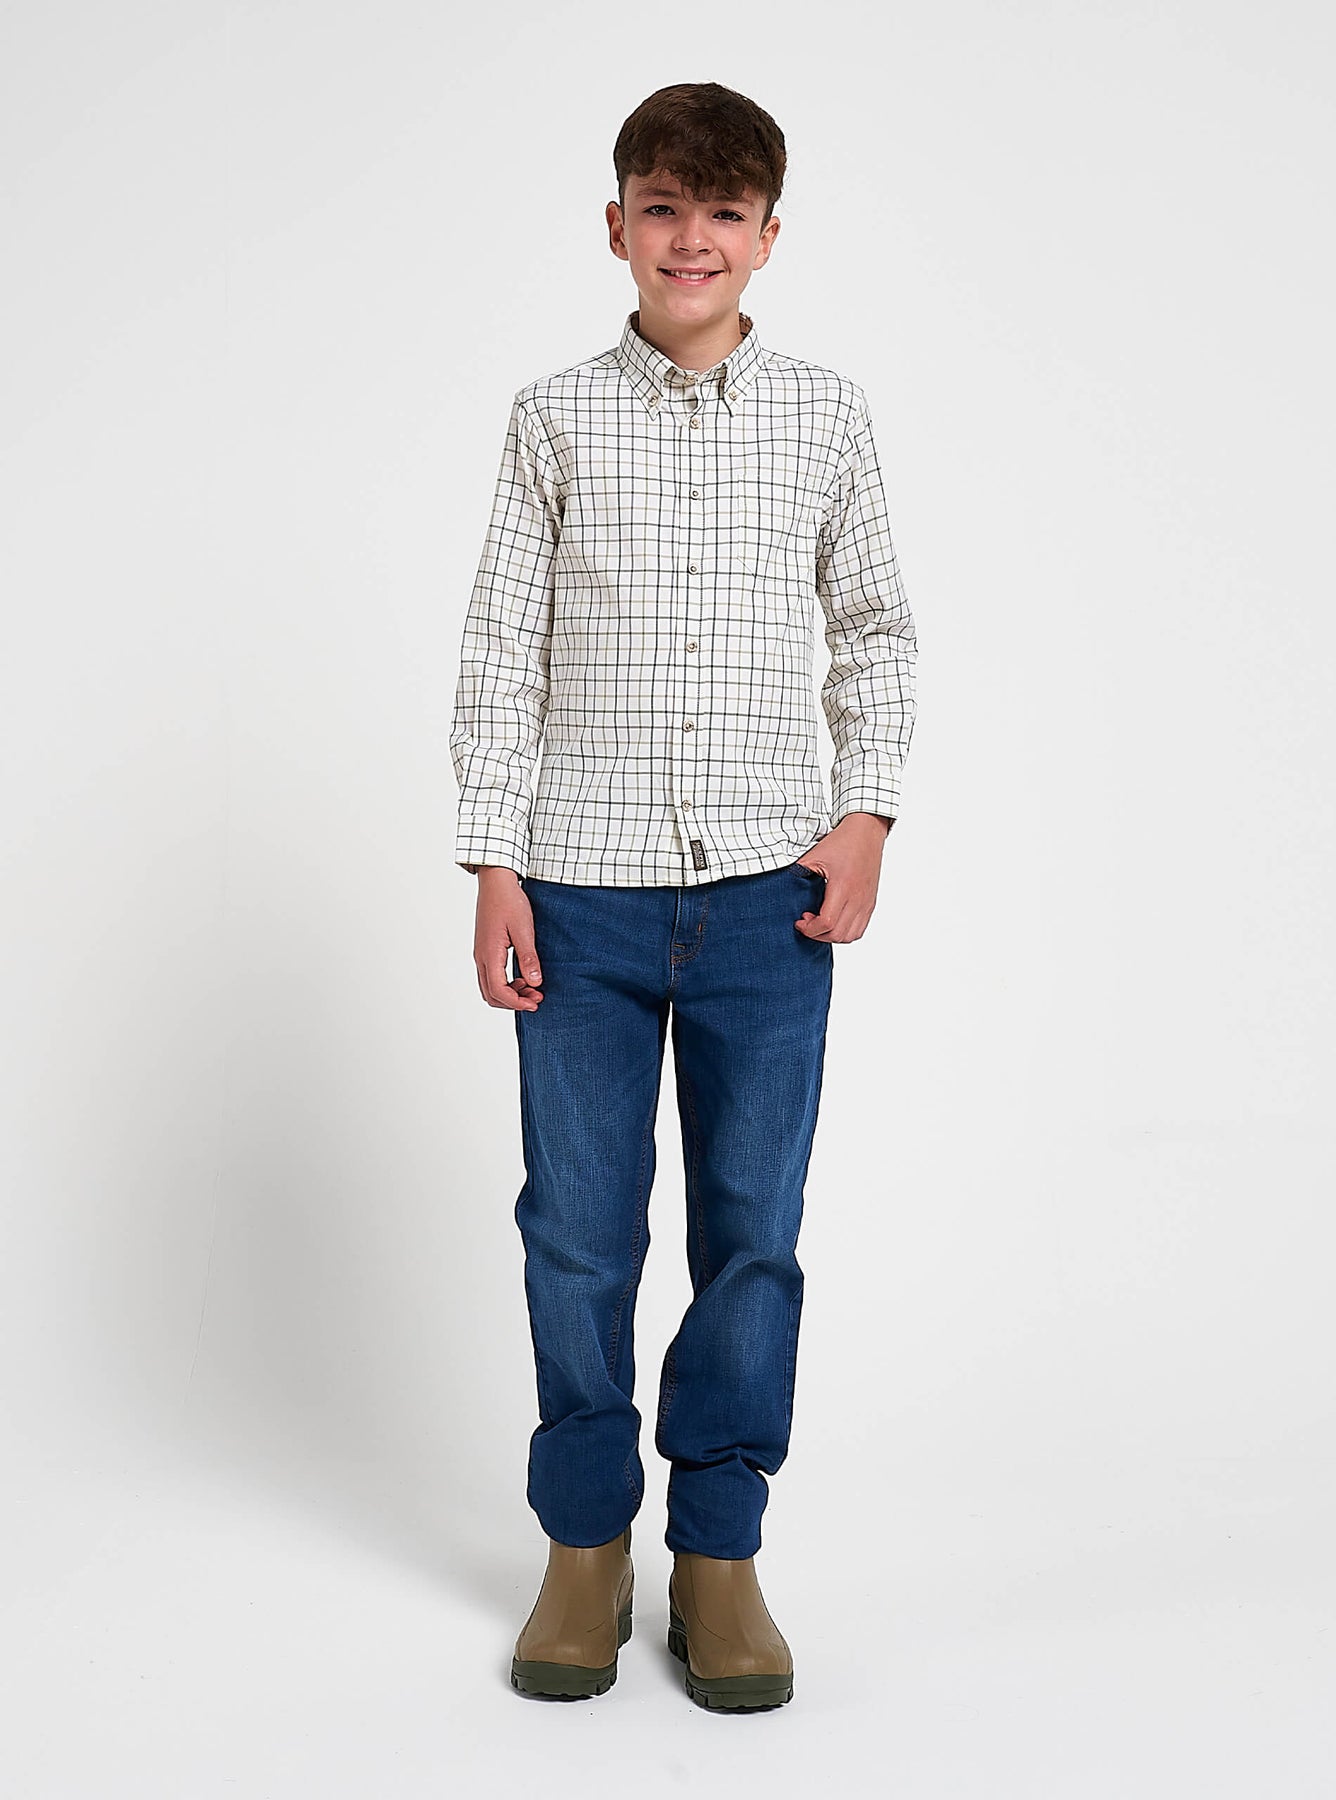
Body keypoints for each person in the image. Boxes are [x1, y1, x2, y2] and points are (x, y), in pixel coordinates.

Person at [449, 81, 917, 1711]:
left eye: (724, 213)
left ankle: (719, 1551)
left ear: (769, 236)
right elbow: (500, 649)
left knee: (752, 1236)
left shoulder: (828, 417)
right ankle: (587, 1545)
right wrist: (493, 860)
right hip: (576, 892)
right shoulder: (553, 417)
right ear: (617, 226)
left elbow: (876, 628)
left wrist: (866, 816)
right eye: (664, 207)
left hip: (768, 900)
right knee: (578, 1234)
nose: (691, 238)